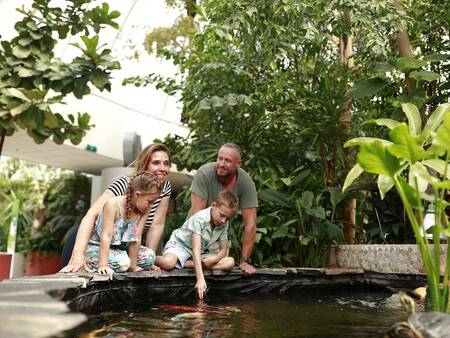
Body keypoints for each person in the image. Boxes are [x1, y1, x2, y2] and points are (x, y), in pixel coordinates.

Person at [61, 143, 172, 273]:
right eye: (156, 163)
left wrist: (147, 262)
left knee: (146, 258)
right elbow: (91, 215)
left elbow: (157, 224)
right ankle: (88, 259)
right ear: (145, 165)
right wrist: (78, 254)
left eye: (166, 163)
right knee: (121, 263)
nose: (163, 168)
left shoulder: (164, 188)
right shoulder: (125, 184)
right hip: (94, 242)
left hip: (121, 247)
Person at [189, 143, 258, 276]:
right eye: (219, 158)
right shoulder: (205, 173)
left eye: (227, 160)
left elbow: (250, 225)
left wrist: (244, 261)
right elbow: (196, 216)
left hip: (220, 234)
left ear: (238, 164)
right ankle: (187, 261)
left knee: (226, 265)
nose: (221, 163)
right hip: (195, 233)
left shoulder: (245, 181)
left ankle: (193, 263)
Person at [156, 190, 238, 299]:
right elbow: (195, 249)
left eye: (227, 218)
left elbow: (223, 250)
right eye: (222, 215)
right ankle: (148, 257)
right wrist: (200, 279)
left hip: (199, 254)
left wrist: (214, 259)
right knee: (168, 263)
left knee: (230, 262)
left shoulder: (224, 224)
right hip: (181, 246)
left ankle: (184, 264)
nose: (223, 220)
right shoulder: (200, 218)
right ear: (213, 205)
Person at [87, 172, 162, 273]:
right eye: (150, 201)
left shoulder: (145, 210)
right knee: (123, 263)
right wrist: (103, 265)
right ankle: (92, 262)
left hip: (121, 250)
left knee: (150, 257)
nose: (151, 206)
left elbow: (136, 238)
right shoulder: (113, 204)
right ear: (137, 195)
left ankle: (124, 263)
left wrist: (133, 266)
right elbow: (107, 236)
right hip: (99, 247)